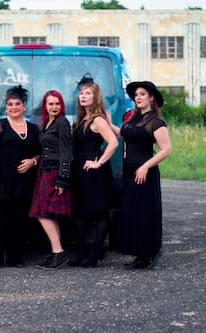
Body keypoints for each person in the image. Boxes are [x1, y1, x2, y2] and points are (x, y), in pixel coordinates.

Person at [115, 81, 172, 269]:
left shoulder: (156, 122)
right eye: (136, 95)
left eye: (142, 94)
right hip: (130, 172)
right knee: (132, 211)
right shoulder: (133, 120)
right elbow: (123, 134)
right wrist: (105, 122)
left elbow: (166, 149)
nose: (138, 97)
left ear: (151, 98)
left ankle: (147, 254)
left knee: (144, 213)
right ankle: (139, 254)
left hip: (144, 173)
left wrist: (145, 166)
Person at [0, 85, 40, 270]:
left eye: (17, 104)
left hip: (23, 182)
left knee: (18, 220)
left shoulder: (32, 128)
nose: (14, 107)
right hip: (0, 181)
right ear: (6, 107)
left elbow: (39, 152)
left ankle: (15, 257)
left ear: (24, 107)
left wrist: (33, 161)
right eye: (10, 104)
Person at [69, 74, 118, 267]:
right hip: (80, 170)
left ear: (94, 96)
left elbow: (113, 142)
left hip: (94, 172)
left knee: (99, 213)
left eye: (87, 93)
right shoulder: (83, 118)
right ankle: (82, 250)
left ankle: (95, 252)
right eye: (81, 93)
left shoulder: (98, 119)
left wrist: (99, 163)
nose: (83, 96)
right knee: (79, 212)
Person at [30, 90, 72, 270]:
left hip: (54, 172)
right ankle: (57, 253)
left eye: (57, 104)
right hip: (44, 170)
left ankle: (58, 251)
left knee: (41, 212)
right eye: (50, 104)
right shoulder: (47, 122)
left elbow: (66, 152)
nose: (54, 107)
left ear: (61, 105)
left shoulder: (62, 122)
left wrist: (63, 179)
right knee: (47, 213)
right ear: (45, 106)